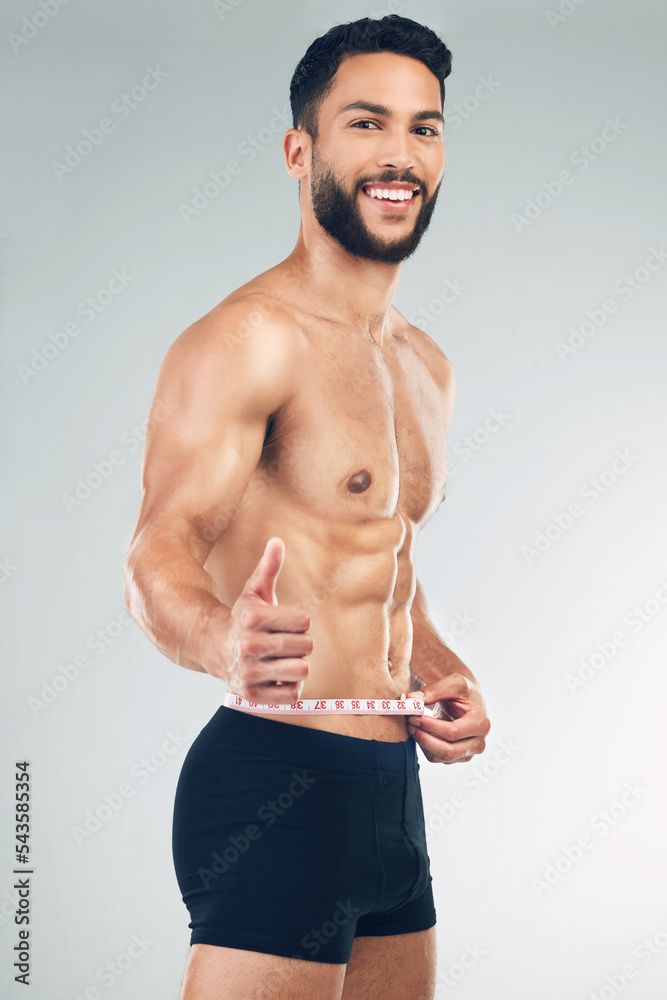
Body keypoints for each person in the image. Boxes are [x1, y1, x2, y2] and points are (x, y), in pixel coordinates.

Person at [123, 14, 490, 1000]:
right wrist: (217, 638)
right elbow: (157, 552)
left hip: (389, 798)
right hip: (274, 781)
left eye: (424, 127)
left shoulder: (426, 367)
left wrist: (441, 669)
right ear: (301, 150)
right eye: (366, 123)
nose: (399, 154)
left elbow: (384, 567)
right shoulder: (249, 338)